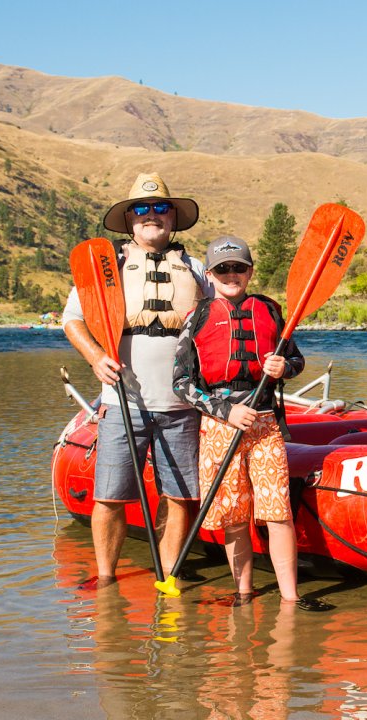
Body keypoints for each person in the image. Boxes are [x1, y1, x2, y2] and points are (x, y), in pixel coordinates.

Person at [62, 172, 211, 588]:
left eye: (160, 208)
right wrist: (95, 357)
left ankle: (168, 575)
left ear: (173, 218)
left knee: (178, 496)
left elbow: (218, 325)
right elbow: (72, 319)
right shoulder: (110, 267)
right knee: (110, 495)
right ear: (129, 220)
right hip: (122, 401)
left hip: (182, 406)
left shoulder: (197, 269)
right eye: (141, 209)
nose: (151, 216)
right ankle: (107, 577)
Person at [172, 235, 330, 611]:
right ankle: (243, 592)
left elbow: (296, 361)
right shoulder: (197, 318)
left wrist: (284, 368)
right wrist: (225, 411)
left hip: (263, 426)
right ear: (209, 274)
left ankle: (291, 597)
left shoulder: (272, 311)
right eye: (223, 269)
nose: (232, 275)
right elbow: (181, 385)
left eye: (239, 267)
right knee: (234, 517)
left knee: (278, 513)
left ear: (250, 272)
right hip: (218, 427)